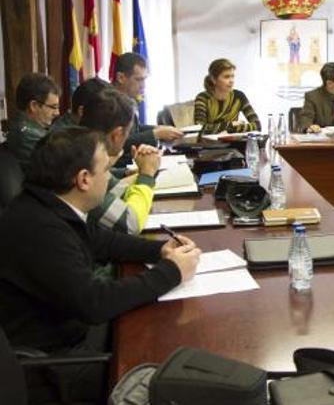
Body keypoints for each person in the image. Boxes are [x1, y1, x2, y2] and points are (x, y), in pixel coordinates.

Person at [0, 127, 200, 402]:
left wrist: (160, 250)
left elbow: (101, 241)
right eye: (106, 169)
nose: (110, 177)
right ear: (83, 179)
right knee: (172, 360)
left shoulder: (46, 204)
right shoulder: (40, 229)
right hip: (57, 364)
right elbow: (94, 303)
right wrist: (172, 272)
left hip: (69, 334)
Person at [81, 89, 161, 234]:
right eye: (128, 132)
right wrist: (147, 176)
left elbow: (115, 189)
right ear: (117, 134)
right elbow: (131, 223)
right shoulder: (84, 162)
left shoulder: (83, 148)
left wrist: (144, 170)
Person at [112, 52, 184, 151]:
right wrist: (156, 134)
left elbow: (134, 130)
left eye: (144, 79)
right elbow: (117, 143)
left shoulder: (127, 99)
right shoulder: (108, 103)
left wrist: (158, 128)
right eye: (138, 80)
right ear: (120, 78)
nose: (143, 86)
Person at [194, 58, 262, 134]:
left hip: (233, 143)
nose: (231, 81)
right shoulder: (203, 98)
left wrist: (231, 129)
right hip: (209, 144)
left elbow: (257, 125)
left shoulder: (239, 96)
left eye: (232, 76)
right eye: (226, 77)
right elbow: (199, 129)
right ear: (213, 79)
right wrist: (231, 124)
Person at [5, 73, 60, 167]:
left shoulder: (25, 127)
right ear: (34, 106)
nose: (57, 113)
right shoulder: (29, 136)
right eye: (53, 107)